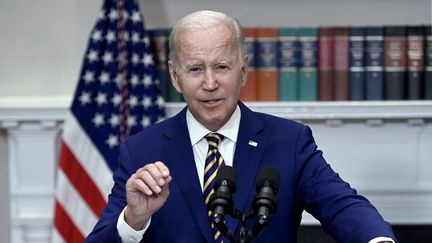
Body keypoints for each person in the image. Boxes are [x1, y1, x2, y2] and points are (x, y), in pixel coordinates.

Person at [86, 10, 396, 243]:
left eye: (222, 67)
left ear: (244, 69)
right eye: (195, 69)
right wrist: (134, 219)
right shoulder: (141, 150)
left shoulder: (289, 142)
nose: (210, 84)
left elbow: (342, 206)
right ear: (175, 76)